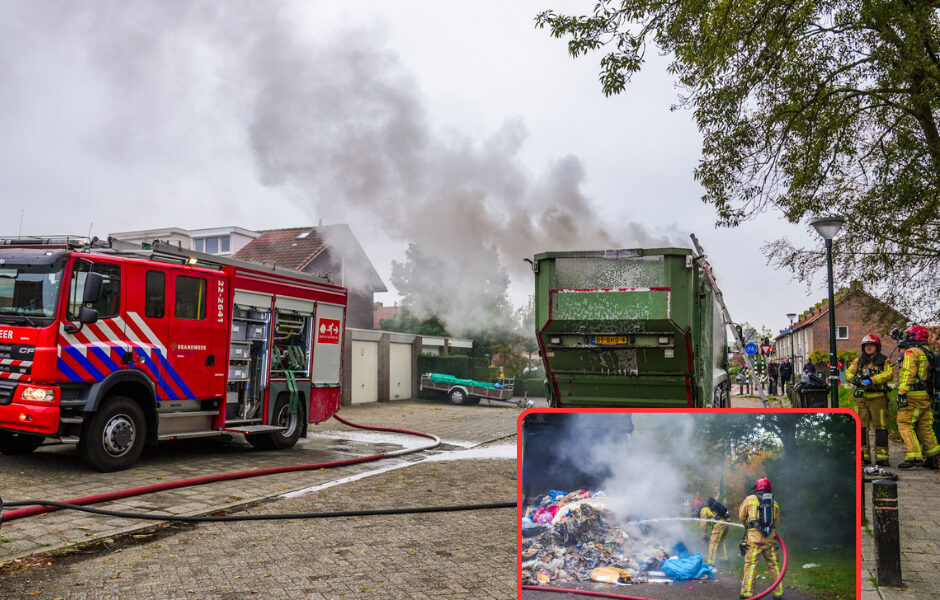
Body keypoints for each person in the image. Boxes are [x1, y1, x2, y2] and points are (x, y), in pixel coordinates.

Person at [895, 325, 940, 469]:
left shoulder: (911, 352)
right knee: (924, 427)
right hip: (925, 396)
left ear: (914, 337)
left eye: (909, 336)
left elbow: (908, 373)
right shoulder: (928, 352)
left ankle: (914, 456)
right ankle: (933, 457)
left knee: (904, 423)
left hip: (912, 395)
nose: (907, 338)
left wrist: (902, 393)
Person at [846, 334, 893, 466]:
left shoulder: (884, 361)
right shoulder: (858, 361)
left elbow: (889, 374)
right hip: (862, 399)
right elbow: (849, 372)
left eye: (871, 345)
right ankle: (864, 455)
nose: (869, 347)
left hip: (878, 398)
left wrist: (872, 380)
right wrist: (852, 378)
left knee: (881, 427)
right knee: (861, 427)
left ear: (877, 347)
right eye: (866, 345)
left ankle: (882, 456)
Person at [739, 478, 783, 599]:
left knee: (751, 564)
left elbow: (742, 516)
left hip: (754, 539)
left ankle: (747, 593)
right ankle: (778, 593)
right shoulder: (774, 503)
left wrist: (748, 527)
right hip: (770, 539)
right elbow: (776, 523)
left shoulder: (750, 499)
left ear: (757, 488)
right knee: (774, 564)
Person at [700, 498, 730, 566]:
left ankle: (710, 562)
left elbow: (703, 524)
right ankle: (723, 558)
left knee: (713, 543)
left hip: (719, 524)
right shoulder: (716, 506)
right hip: (727, 521)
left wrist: (704, 535)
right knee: (721, 541)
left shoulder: (704, 510)